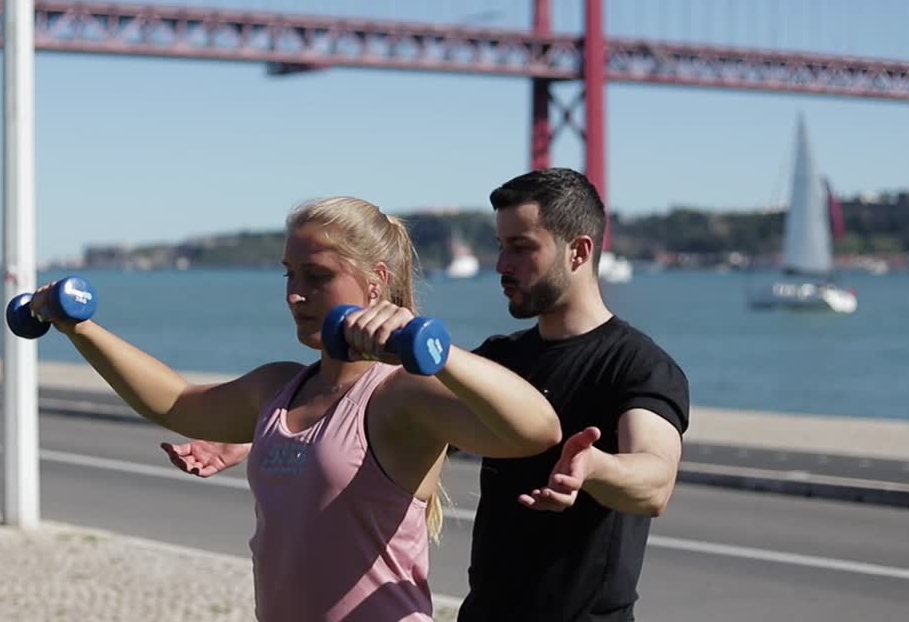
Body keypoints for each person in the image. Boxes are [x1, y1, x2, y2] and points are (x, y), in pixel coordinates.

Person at [163, 170, 691, 622]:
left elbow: (655, 481)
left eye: (522, 247)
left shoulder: (636, 364)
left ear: (580, 252)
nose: (502, 264)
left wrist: (595, 468)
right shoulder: (496, 360)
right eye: (500, 246)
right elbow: (384, 432)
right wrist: (259, 439)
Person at [31, 196, 561, 622]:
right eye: (289, 275)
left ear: (374, 282)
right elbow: (173, 401)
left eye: (316, 276)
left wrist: (436, 351)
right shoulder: (279, 388)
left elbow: (538, 430)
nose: (294, 295)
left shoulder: (400, 396)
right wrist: (76, 326)